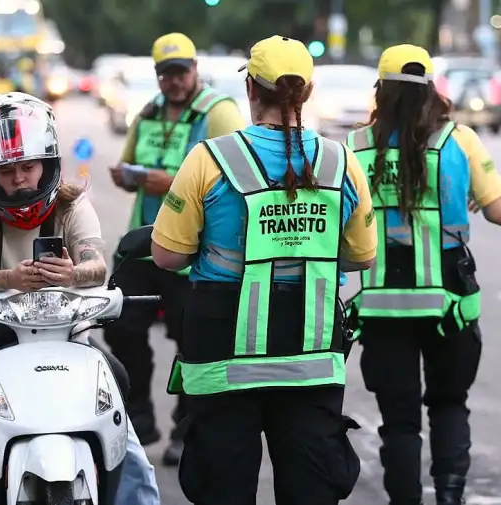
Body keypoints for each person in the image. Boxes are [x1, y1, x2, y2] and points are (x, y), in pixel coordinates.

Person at [151, 35, 377, 505]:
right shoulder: (342, 163)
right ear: (308, 93)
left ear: (251, 89)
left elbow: (166, 257)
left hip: (223, 358)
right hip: (310, 356)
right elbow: (362, 256)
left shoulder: (208, 160)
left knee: (223, 489)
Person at [0, 94, 161, 505]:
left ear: (47, 162)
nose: (20, 178)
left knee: (135, 469)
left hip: (67, 341)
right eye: (7, 170)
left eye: (28, 166)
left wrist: (73, 273)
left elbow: (95, 263)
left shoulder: (72, 202)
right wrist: (11, 279)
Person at [344, 44, 501, 505]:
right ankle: (450, 497)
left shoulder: (353, 147)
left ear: (380, 90)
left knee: (399, 422)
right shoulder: (459, 140)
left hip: (382, 310)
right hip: (449, 309)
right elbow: (500, 212)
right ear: (433, 90)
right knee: (448, 404)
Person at [107, 31, 244, 465]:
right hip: (145, 244)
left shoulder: (219, 113)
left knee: (195, 345)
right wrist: (127, 175)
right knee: (119, 325)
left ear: (195, 69)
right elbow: (124, 165)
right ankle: (141, 417)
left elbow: (241, 175)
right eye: (165, 74)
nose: (174, 81)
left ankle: (187, 429)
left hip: (196, 251)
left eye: (180, 71)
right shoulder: (147, 111)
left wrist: (173, 183)